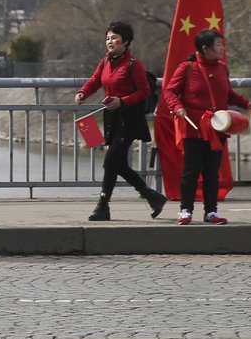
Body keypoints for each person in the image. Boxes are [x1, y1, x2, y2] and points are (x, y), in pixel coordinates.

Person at [75, 21, 166, 221]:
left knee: (110, 162)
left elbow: (144, 92)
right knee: (117, 163)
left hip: (130, 118)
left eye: (114, 38)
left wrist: (122, 101)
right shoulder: (106, 61)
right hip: (112, 117)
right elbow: (95, 80)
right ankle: (151, 195)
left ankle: (102, 206)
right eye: (107, 38)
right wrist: (83, 92)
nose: (110, 41)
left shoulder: (133, 64)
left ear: (125, 42)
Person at [163, 29, 250, 225]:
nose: (222, 48)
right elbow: (169, 91)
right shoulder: (187, 68)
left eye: (222, 44)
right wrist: (177, 107)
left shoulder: (222, 68)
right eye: (218, 45)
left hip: (217, 127)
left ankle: (211, 211)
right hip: (193, 127)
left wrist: (247, 104)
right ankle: (186, 210)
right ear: (205, 48)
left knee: (212, 171)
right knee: (191, 170)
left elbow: (229, 95)